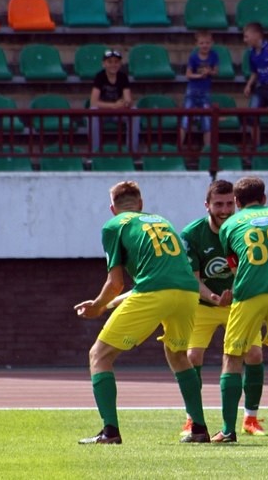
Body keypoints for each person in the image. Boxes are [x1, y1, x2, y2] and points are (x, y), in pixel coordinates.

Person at [74, 181, 209, 444]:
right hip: (188, 292)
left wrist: (98, 306)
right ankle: (199, 429)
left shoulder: (114, 225)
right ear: (141, 205)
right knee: (178, 355)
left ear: (112, 208)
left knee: (99, 355)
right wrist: (106, 303)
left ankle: (109, 432)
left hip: (155, 292)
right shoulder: (160, 220)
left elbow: (116, 283)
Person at [178, 180, 266, 438]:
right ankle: (192, 419)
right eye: (218, 204)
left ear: (236, 203)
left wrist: (236, 293)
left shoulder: (243, 229)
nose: (225, 209)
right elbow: (193, 279)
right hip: (204, 304)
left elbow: (249, 269)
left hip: (238, 303)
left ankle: (250, 418)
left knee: (254, 355)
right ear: (207, 205)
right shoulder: (192, 234)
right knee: (192, 357)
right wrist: (215, 297)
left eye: (229, 203)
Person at [216, 177, 268, 443]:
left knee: (232, 356)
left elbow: (235, 267)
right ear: (264, 198)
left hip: (249, 293)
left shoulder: (229, 225)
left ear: (237, 202)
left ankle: (228, 430)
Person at [89, 49, 138, 152]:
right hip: (103, 113)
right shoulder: (100, 76)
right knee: (93, 112)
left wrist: (125, 103)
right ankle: (95, 152)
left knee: (134, 112)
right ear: (104, 64)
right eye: (110, 62)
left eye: (116, 62)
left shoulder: (123, 77)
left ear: (120, 64)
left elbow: (128, 99)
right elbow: (93, 102)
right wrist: (112, 105)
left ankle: (132, 152)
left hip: (118, 112)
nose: (113, 65)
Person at [180, 31, 219, 149]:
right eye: (202, 43)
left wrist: (210, 72)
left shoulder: (214, 56)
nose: (205, 45)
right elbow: (188, 74)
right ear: (197, 44)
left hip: (205, 93)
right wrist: (200, 75)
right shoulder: (193, 58)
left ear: (211, 43)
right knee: (185, 119)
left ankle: (208, 150)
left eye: (207, 43)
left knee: (207, 121)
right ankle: (179, 148)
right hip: (192, 91)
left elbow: (216, 72)